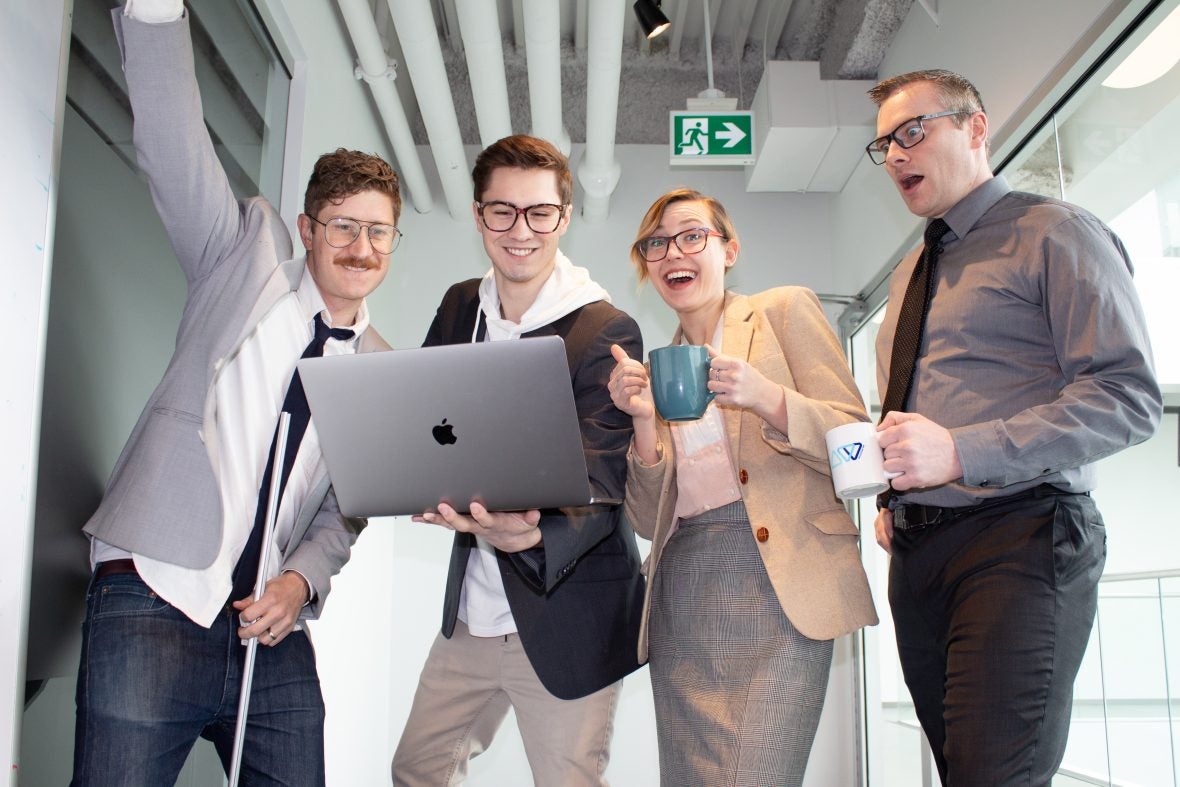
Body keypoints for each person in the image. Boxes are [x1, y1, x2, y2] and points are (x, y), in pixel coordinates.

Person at [73, 4, 402, 784]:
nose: (361, 248)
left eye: (380, 231)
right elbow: (173, 146)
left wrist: (300, 581)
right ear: (307, 227)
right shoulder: (239, 259)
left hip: (268, 627)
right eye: (343, 226)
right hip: (156, 593)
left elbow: (340, 513)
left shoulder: (382, 369)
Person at [867, 69, 1162, 786]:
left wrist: (961, 451)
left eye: (913, 131)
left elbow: (1127, 395)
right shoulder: (910, 270)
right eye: (883, 146)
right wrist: (890, 495)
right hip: (920, 554)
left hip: (1021, 536)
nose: (897, 154)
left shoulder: (1054, 231)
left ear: (975, 128)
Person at [391, 135, 645, 786]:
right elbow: (424, 418)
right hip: (472, 615)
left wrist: (532, 533)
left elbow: (602, 475)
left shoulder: (601, 327)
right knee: (416, 770)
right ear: (479, 217)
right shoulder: (458, 306)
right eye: (501, 211)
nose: (520, 230)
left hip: (569, 615)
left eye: (539, 212)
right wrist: (414, 473)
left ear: (563, 218)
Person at [608, 187, 878, 786]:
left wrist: (767, 397)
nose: (673, 251)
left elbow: (856, 437)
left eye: (691, 236)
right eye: (655, 243)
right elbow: (648, 516)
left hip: (779, 577)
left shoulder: (782, 312)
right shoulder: (657, 369)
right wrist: (644, 422)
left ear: (728, 249)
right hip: (686, 585)